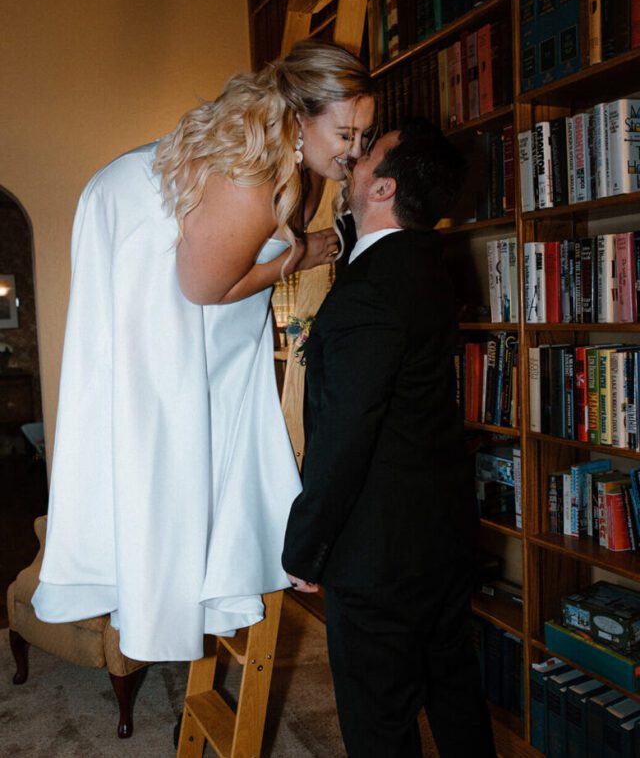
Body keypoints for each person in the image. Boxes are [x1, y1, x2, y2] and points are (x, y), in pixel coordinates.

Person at [32, 39, 376, 662]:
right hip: (154, 266)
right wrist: (291, 259)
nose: (354, 151)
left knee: (165, 423)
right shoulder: (258, 179)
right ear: (301, 117)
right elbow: (203, 288)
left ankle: (182, 573)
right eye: (346, 134)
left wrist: (297, 247)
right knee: (166, 429)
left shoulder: (267, 147)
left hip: (135, 230)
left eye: (364, 135)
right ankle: (169, 587)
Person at [282, 119, 497, 758]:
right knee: (455, 697)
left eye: (366, 153)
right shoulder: (430, 265)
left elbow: (344, 440)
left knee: (380, 726)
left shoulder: (369, 293)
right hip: (443, 534)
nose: (351, 158)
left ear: (384, 188)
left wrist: (306, 548)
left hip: (382, 556)